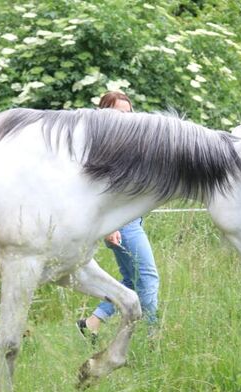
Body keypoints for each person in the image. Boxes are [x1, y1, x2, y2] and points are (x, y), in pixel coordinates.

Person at [77, 91, 160, 341]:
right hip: (120, 222)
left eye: (128, 113)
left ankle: (92, 323)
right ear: (105, 114)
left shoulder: (125, 144)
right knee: (147, 277)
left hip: (130, 220)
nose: (125, 118)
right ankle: (152, 334)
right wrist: (110, 226)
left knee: (131, 278)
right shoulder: (104, 147)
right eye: (119, 113)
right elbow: (101, 189)